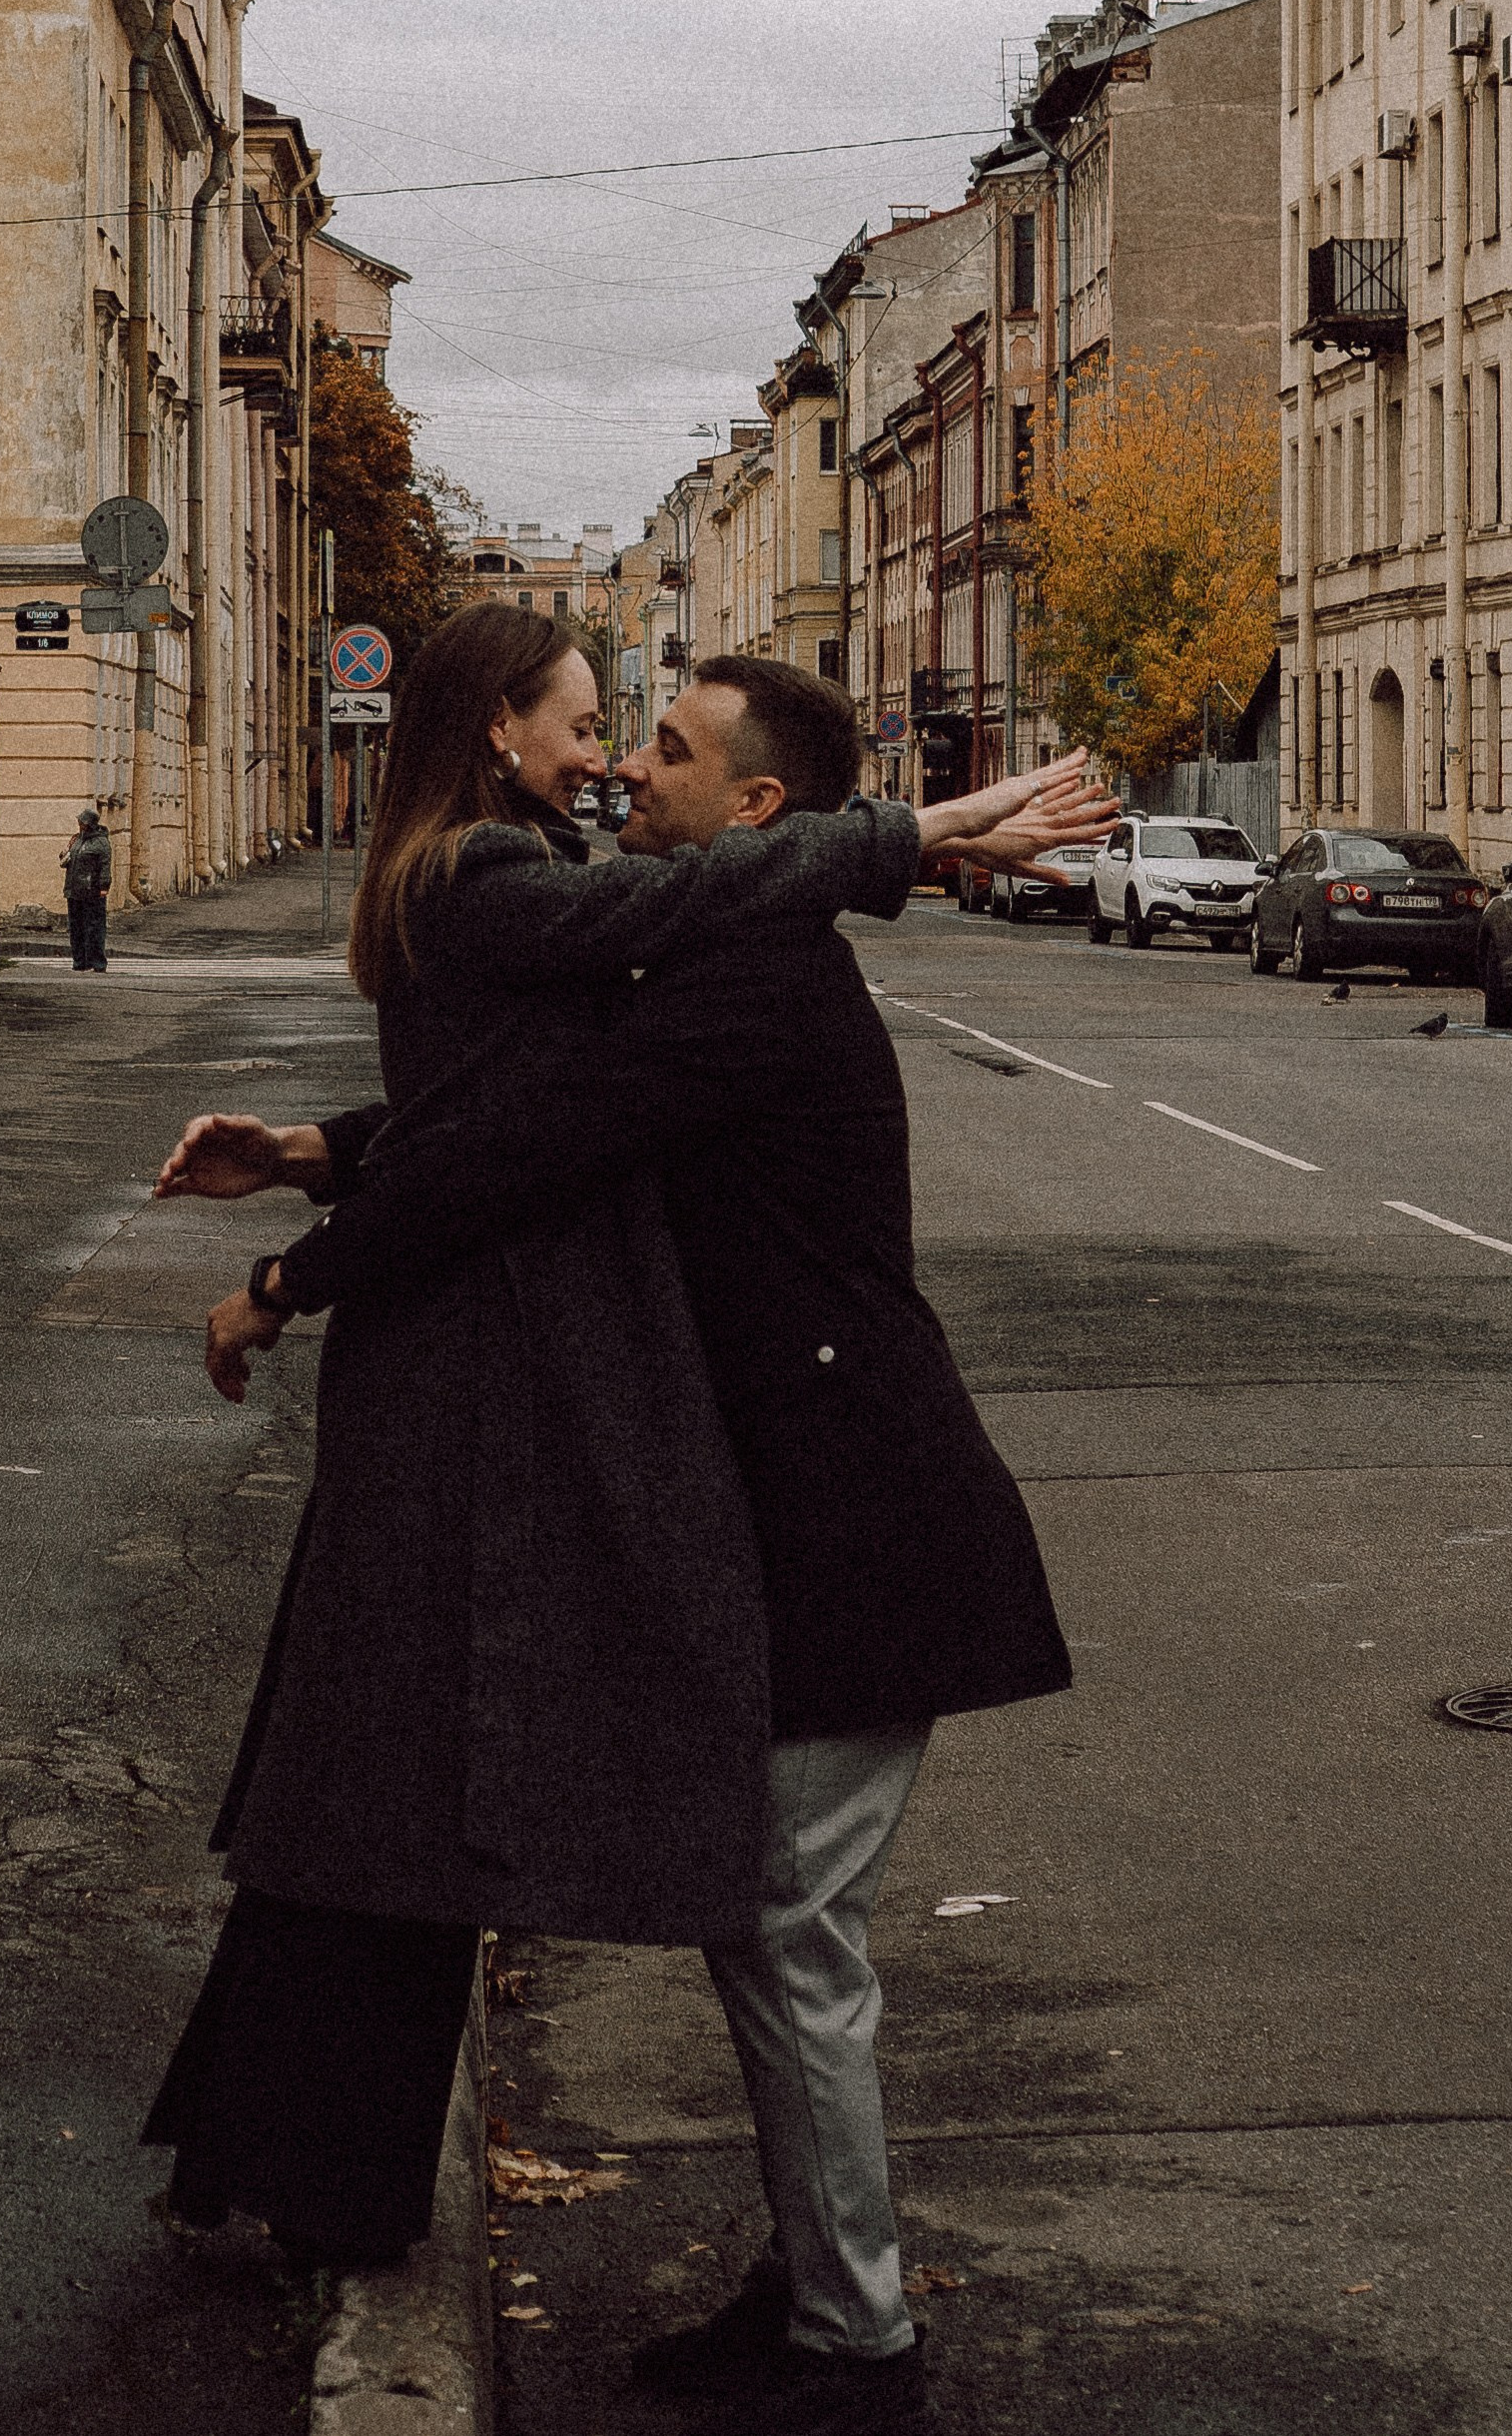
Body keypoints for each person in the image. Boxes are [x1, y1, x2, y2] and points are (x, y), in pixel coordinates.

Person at [180, 650, 1102, 2425]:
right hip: (808, 1522)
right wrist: (313, 1148)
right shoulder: (700, 965)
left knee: (781, 1924)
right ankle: (832, 2289)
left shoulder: (746, 977)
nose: (627, 773)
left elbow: (526, 1142)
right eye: (611, 731)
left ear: (751, 808)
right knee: (777, 1923)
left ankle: (857, 2344)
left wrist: (293, 1273)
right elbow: (520, 1106)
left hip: (865, 1527)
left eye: (662, 749)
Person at [61, 807, 112, 971]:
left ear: (89, 824)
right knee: (76, 927)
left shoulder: (101, 842)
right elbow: (70, 859)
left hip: (92, 891)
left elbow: (105, 866)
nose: (79, 825)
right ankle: (79, 961)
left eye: (81, 822)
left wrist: (104, 887)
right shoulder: (76, 839)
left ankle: (97, 962)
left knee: (94, 928)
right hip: (74, 890)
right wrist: (63, 857)